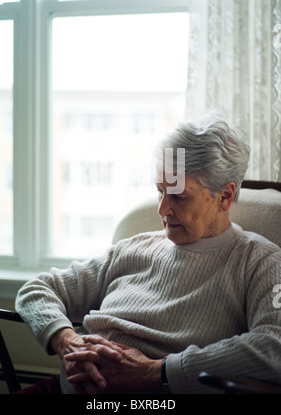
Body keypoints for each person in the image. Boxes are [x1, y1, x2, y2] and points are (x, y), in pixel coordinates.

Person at [15, 113, 281, 394]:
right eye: (159, 192)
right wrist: (67, 340)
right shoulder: (133, 248)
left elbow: (275, 345)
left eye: (178, 196)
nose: (162, 209)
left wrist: (157, 371)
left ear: (225, 196)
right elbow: (37, 289)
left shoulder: (260, 262)